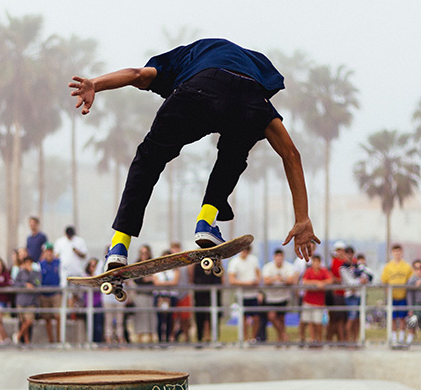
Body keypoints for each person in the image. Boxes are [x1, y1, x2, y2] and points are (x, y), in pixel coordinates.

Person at [69, 38, 319, 269]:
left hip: (197, 90)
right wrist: (302, 218)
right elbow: (291, 155)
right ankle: (206, 222)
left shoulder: (184, 57)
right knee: (234, 154)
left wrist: (95, 84)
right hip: (248, 101)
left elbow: (137, 75)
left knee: (149, 158)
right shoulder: (255, 90)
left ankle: (119, 245)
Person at [381, 244, 413, 346]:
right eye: (395, 251)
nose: (397, 253)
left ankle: (402, 338)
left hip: (403, 296)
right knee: (393, 318)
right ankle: (394, 338)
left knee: (402, 318)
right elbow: (384, 281)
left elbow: (411, 281)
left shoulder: (406, 266)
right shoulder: (388, 266)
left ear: (401, 252)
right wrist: (387, 292)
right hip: (392, 297)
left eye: (399, 251)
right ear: (392, 253)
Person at [227, 245, 261, 341]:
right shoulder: (234, 262)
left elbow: (258, 274)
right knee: (243, 318)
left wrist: (256, 281)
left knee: (256, 317)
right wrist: (246, 283)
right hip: (241, 295)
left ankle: (253, 338)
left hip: (253, 294)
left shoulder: (254, 260)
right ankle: (245, 338)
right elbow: (232, 280)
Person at [262, 248, 296, 343]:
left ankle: (280, 339)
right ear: (274, 257)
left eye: (280, 257)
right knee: (271, 317)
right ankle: (283, 335)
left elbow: (291, 280)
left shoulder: (288, 266)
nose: (279, 259)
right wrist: (276, 279)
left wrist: (281, 279)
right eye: (277, 257)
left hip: (283, 297)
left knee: (281, 318)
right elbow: (266, 281)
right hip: (271, 298)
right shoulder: (268, 267)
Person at [301, 254, 333, 345]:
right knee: (310, 322)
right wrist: (316, 283)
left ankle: (319, 339)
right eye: (314, 262)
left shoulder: (324, 271)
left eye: (317, 262)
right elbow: (304, 282)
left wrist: (322, 283)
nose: (316, 264)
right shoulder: (309, 271)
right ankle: (312, 339)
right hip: (308, 301)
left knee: (318, 322)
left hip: (319, 302)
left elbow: (330, 280)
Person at [189, 260, 224, 343]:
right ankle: (200, 338)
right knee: (200, 315)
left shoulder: (217, 262)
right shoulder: (197, 263)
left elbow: (221, 275)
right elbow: (192, 277)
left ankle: (215, 338)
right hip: (200, 291)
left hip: (214, 291)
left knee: (214, 315)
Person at [13, 256, 41, 345]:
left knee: (29, 321)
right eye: (26, 263)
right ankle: (26, 342)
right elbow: (15, 284)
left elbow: (38, 283)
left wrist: (31, 282)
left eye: (30, 263)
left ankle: (18, 335)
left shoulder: (36, 273)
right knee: (23, 322)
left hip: (31, 301)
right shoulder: (20, 273)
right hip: (21, 300)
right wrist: (24, 284)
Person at [132, 244, 156, 343]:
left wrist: (149, 279)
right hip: (140, 294)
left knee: (151, 317)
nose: (144, 255)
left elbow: (155, 278)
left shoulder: (153, 264)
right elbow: (136, 279)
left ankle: (151, 338)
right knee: (140, 317)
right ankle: (139, 338)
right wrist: (145, 279)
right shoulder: (136, 264)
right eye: (142, 253)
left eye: (146, 253)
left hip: (150, 294)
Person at [326, 241, 348, 343]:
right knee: (336, 318)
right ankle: (337, 339)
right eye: (338, 250)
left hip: (345, 293)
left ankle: (342, 338)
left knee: (344, 318)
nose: (340, 252)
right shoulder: (334, 262)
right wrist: (342, 281)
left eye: (341, 250)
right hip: (336, 294)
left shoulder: (346, 262)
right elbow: (332, 277)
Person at [39, 244, 61, 343]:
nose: (49, 253)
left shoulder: (58, 263)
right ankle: (50, 340)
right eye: (47, 251)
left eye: (50, 251)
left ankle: (59, 339)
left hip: (55, 293)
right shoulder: (40, 264)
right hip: (44, 294)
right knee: (47, 317)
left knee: (58, 316)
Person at [406, 260, 421, 346]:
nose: (418, 270)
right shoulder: (411, 280)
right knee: (412, 322)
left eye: (420, 268)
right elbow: (409, 296)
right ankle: (409, 341)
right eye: (416, 268)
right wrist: (410, 309)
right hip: (416, 304)